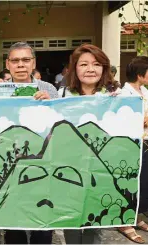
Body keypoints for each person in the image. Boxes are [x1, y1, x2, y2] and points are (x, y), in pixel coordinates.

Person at [59, 44, 119, 244]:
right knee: (71, 222)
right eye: (83, 64)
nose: (90, 69)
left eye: (96, 64)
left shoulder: (117, 96)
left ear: (104, 68)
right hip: (70, 171)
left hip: (102, 170)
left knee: (96, 223)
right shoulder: (62, 96)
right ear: (74, 68)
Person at [3, 42, 57, 244]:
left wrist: (49, 104)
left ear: (33, 62)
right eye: (15, 60)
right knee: (13, 224)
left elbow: (60, 123)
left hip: (42, 164)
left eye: (25, 60)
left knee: (42, 221)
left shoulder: (48, 89)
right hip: (10, 166)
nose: (20, 65)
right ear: (8, 64)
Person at [117, 56, 148, 244]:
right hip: (131, 144)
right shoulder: (123, 94)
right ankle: (123, 221)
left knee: (143, 184)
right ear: (140, 74)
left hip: (146, 142)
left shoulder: (144, 91)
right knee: (128, 183)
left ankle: (135, 217)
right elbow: (123, 120)